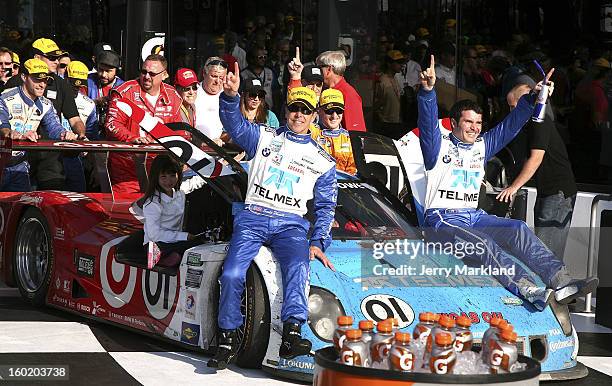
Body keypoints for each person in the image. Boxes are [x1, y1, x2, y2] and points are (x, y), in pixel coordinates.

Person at [417, 55, 597, 310]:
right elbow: (426, 124)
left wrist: (535, 97)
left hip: (473, 216)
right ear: (454, 123)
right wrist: (427, 92)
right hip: (442, 219)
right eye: (468, 122)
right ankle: (527, 287)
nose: (474, 128)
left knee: (518, 229)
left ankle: (562, 282)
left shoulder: (482, 146)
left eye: (478, 123)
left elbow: (510, 125)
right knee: (484, 244)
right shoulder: (437, 145)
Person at [208, 64, 337, 369]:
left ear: (314, 115)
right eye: (294, 108)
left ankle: (292, 333)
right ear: (286, 109)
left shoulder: (323, 160)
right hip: (252, 218)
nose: (299, 115)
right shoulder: (263, 137)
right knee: (232, 273)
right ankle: (227, 337)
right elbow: (235, 126)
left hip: (290, 225)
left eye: (306, 110)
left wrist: (319, 241)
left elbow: (326, 207)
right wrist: (229, 97)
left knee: (298, 264)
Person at [499, 74, 577, 262]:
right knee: (544, 251)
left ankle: (554, 289)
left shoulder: (538, 122)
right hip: (549, 192)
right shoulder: (530, 124)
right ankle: (552, 288)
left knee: (545, 255)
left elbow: (536, 159)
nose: (511, 110)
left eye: (513, 105)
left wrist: (514, 187)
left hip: (556, 193)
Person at [4, 38, 86, 189]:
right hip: (15, 159)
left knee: (52, 201)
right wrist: (9, 132)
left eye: (58, 58)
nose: (56, 61)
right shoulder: (12, 87)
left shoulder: (61, 86)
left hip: (50, 157)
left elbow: (72, 120)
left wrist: (77, 135)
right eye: (52, 57)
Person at [105, 54, 182, 195]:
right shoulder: (124, 92)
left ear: (164, 75)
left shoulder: (173, 96)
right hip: (127, 171)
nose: (146, 76)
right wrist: (132, 138)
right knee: (128, 214)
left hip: (161, 173)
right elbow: (112, 124)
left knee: (162, 214)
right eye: (143, 71)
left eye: (152, 73)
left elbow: (180, 132)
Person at [139, 155, 206, 267]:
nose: (168, 181)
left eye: (172, 175)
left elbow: (196, 182)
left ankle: (173, 257)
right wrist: (184, 236)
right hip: (156, 243)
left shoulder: (180, 192)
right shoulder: (153, 203)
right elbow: (154, 235)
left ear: (178, 175)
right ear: (156, 177)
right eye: (163, 177)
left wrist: (217, 169)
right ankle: (162, 259)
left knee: (200, 243)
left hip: (176, 241)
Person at [62, 61, 98, 192]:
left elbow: (93, 137)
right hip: (53, 155)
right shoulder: (53, 97)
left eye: (79, 84)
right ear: (65, 78)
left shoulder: (89, 104)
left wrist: (95, 167)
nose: (75, 87)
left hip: (76, 157)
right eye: (72, 83)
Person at [316, 50, 367, 132]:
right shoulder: (322, 89)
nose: (317, 72)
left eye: (319, 68)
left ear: (329, 69)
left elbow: (355, 132)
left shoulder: (348, 94)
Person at [310, 89, 357, 175]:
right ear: (319, 111)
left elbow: (352, 172)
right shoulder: (311, 131)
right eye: (329, 111)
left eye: (339, 111)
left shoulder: (349, 139)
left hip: (342, 184)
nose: (334, 116)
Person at [87, 50, 124, 137]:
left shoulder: (123, 87)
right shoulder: (87, 81)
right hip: (89, 134)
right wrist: (95, 102)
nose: (103, 74)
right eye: (101, 70)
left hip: (113, 135)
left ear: (117, 71)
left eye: (108, 71)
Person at [194, 56, 227, 144]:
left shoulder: (229, 96)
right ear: (204, 73)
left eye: (221, 78)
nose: (217, 81)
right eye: (214, 76)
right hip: (196, 147)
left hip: (223, 149)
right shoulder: (192, 92)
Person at [374, 50, 405, 139]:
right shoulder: (382, 81)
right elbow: (376, 104)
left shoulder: (395, 79)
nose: (401, 65)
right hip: (385, 125)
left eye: (401, 63)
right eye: (398, 63)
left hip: (395, 123)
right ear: (389, 64)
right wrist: (381, 119)